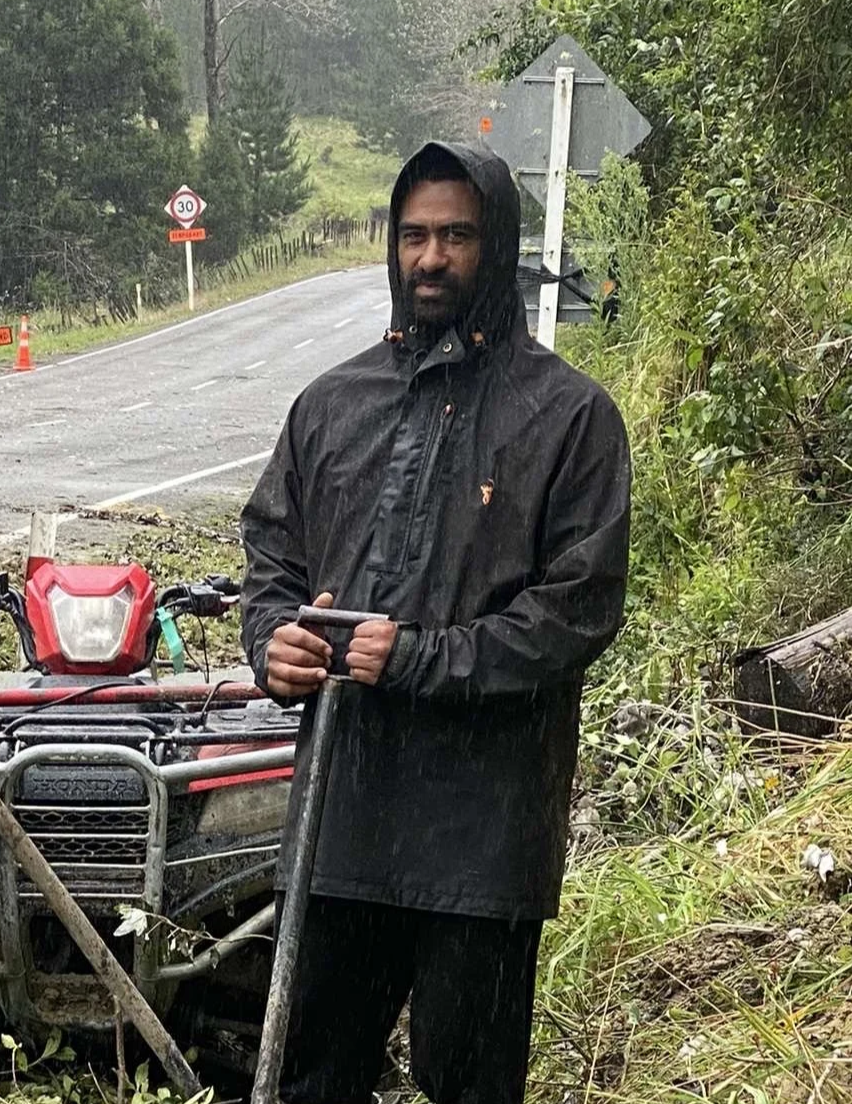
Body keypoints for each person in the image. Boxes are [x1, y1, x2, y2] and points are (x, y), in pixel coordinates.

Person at [240, 142, 631, 1103]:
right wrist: (272, 641)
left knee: (468, 1084)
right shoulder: (331, 405)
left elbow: (576, 610)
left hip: (484, 832)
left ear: (494, 247)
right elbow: (271, 560)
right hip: (344, 816)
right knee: (312, 1081)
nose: (429, 258)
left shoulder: (568, 418)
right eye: (413, 235)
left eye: (455, 235)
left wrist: (423, 658)